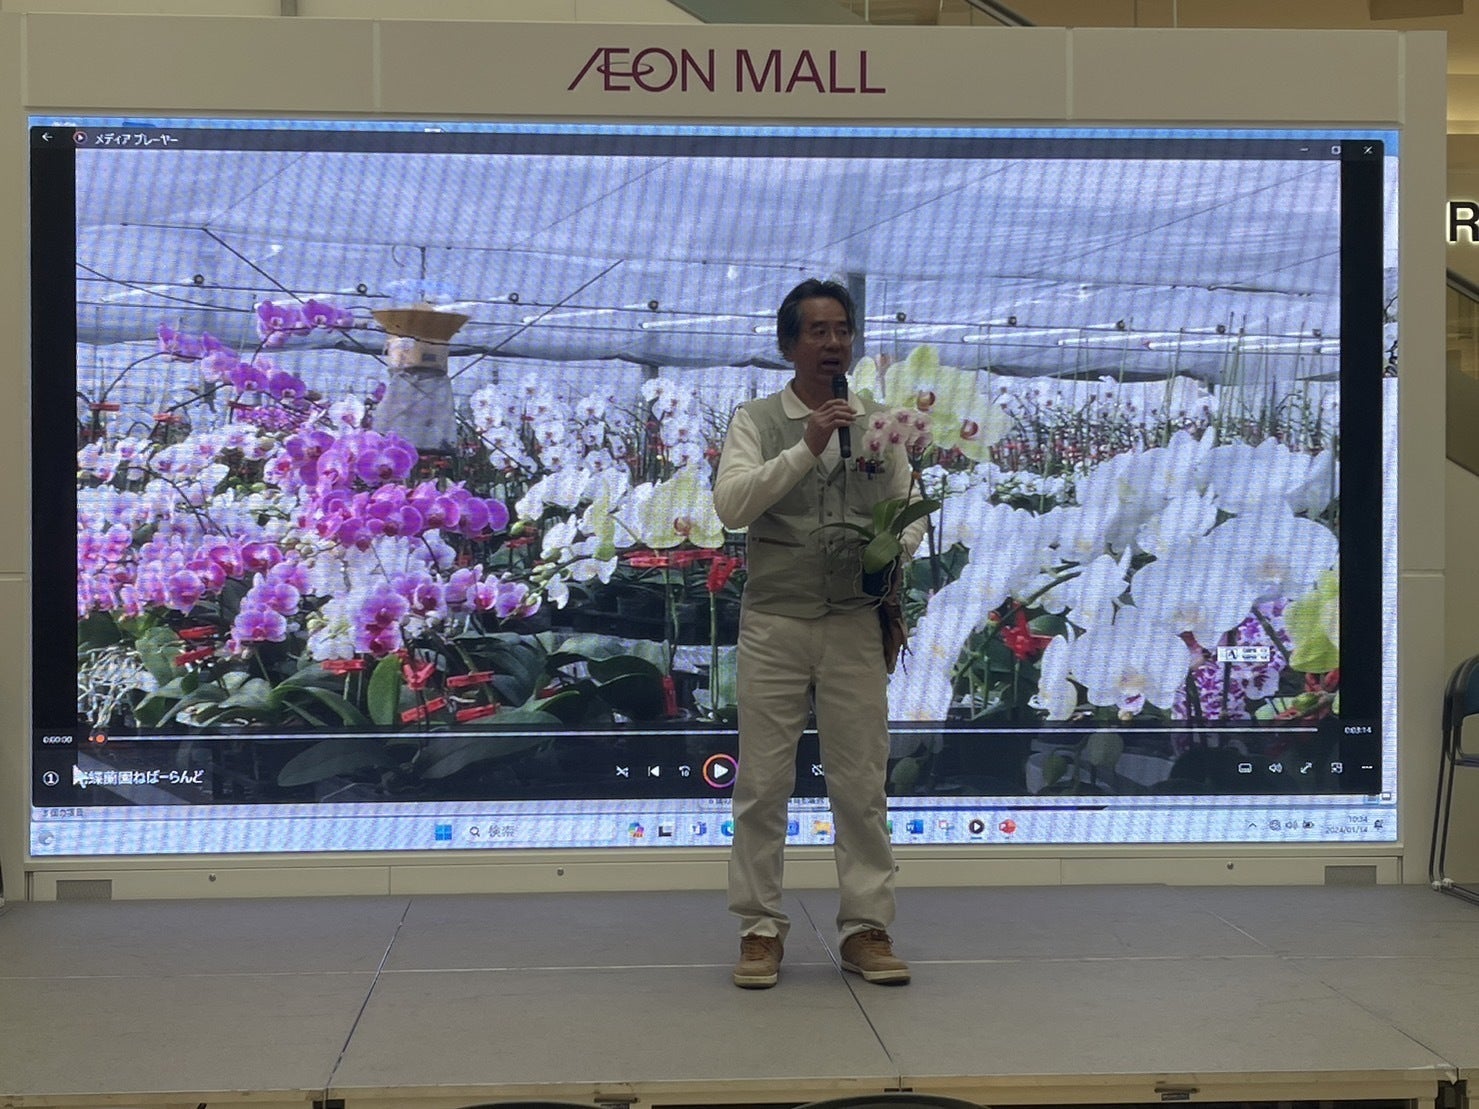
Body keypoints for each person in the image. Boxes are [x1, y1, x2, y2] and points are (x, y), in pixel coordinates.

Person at [712, 278, 926, 989]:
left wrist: (891, 548)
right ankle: (758, 930)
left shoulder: (881, 425)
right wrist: (806, 445)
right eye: (817, 331)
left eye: (842, 330)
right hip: (775, 621)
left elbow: (908, 508)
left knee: (860, 781)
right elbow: (732, 506)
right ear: (788, 345)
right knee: (762, 784)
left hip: (853, 624)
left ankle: (866, 927)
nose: (833, 343)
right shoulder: (756, 421)